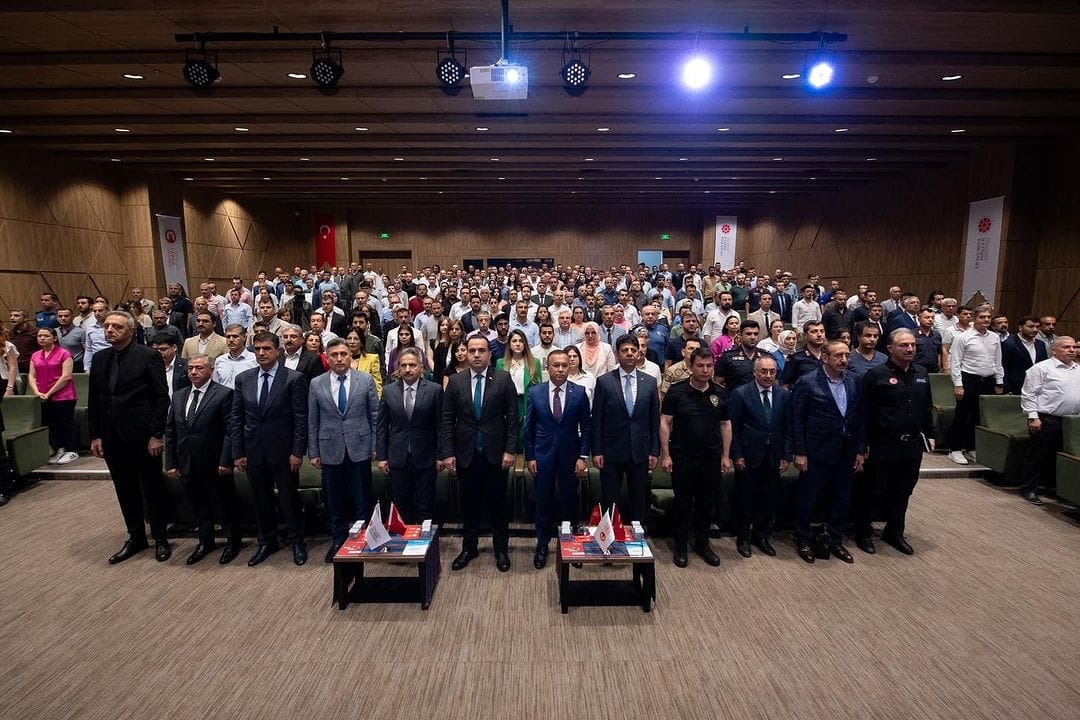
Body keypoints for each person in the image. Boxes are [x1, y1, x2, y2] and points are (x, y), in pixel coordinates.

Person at [88, 310, 171, 564]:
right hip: (112, 436)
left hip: (142, 436)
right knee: (124, 488)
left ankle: (160, 537)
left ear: (131, 331)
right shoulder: (100, 358)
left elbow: (160, 397)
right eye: (108, 326)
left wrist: (156, 434)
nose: (110, 330)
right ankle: (136, 536)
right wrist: (95, 435)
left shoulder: (147, 356)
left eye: (117, 327)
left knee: (151, 488)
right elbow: (95, 399)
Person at [438, 336, 518, 572]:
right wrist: (448, 452)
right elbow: (446, 419)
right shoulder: (455, 381)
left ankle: (501, 549)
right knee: (469, 504)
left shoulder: (503, 379)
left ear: (489, 354)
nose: (476, 355)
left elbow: (513, 418)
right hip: (466, 453)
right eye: (472, 350)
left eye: (481, 350)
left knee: (498, 505)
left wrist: (510, 450)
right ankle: (469, 547)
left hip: (495, 453)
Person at [230, 331, 310, 567]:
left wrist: (298, 451)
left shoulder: (293, 379)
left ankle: (296, 541)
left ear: (278, 351)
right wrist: (238, 451)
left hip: (284, 451)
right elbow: (237, 418)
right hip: (254, 449)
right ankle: (267, 541)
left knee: (288, 499)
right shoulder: (244, 379)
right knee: (260, 498)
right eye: (257, 349)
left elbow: (300, 418)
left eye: (266, 349)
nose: (262, 353)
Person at [855, 329, 937, 555]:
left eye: (912, 345)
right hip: (883, 444)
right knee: (875, 490)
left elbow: (926, 407)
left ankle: (895, 531)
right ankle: (863, 531)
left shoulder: (921, 373)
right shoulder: (876, 374)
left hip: (911, 444)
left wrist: (930, 433)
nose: (910, 349)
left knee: (903, 490)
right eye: (904, 345)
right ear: (890, 348)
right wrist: (862, 446)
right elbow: (863, 413)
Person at [163, 354, 244, 565]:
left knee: (225, 505)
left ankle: (233, 541)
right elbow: (171, 431)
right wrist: (170, 462)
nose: (193, 372)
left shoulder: (224, 394)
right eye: (190, 368)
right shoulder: (179, 396)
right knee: (198, 506)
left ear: (210, 370)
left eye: (199, 368)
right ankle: (205, 541)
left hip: (215, 462)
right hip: (187, 461)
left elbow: (230, 431)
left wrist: (226, 460)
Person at [791, 340, 865, 564]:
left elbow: (859, 418)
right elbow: (797, 420)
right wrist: (799, 452)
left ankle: (835, 539)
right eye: (838, 356)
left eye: (846, 355)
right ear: (825, 357)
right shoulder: (807, 382)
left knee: (841, 498)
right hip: (816, 450)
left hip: (846, 450)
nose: (843, 360)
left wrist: (860, 450)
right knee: (809, 498)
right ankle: (803, 538)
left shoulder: (855, 381)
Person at [308, 337, 379, 563]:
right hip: (329, 449)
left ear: (350, 355)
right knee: (335, 501)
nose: (339, 358)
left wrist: (375, 445)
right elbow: (313, 420)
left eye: (343, 354)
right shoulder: (316, 383)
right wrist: (313, 451)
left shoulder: (365, 380)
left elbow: (374, 416)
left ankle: (365, 540)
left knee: (362, 499)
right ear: (327, 358)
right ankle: (338, 540)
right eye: (334, 355)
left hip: (360, 447)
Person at [659, 347, 730, 567]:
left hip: (711, 457)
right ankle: (680, 545)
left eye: (709, 366)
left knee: (707, 503)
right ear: (691, 366)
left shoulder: (720, 393)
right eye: (700, 365)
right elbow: (665, 422)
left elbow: (726, 425)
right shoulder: (677, 391)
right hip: (683, 456)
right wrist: (665, 454)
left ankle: (702, 543)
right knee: (683, 503)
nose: (705, 370)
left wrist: (725, 456)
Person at [523, 349, 591, 569]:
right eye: (556, 365)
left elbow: (587, 428)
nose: (561, 369)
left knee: (570, 501)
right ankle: (542, 545)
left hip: (571, 457)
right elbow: (529, 428)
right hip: (542, 456)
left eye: (564, 365)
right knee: (543, 501)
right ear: (548, 367)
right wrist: (530, 456)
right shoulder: (535, 392)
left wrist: (582, 456)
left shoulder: (579, 392)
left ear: (569, 367)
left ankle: (570, 544)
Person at [591, 334, 660, 524]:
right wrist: (596, 450)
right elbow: (596, 419)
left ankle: (638, 536)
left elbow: (654, 419)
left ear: (639, 353)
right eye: (624, 350)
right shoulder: (604, 381)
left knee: (639, 498)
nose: (629, 354)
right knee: (610, 498)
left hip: (640, 451)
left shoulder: (649, 381)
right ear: (617, 354)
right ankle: (609, 535)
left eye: (633, 350)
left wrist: (655, 450)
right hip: (611, 450)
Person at [728, 355, 791, 558]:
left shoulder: (783, 394)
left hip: (773, 455)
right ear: (755, 372)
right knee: (745, 498)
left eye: (772, 371)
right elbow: (733, 428)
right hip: (748, 455)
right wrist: (736, 454)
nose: (768, 375)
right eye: (764, 371)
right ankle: (743, 536)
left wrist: (786, 455)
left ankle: (760, 535)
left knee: (769, 497)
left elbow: (787, 428)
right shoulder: (741, 393)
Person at [376, 347, 442, 524]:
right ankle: (405, 546)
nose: (407, 369)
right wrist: (382, 457)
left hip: (426, 456)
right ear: (398, 368)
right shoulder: (389, 391)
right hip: (398, 457)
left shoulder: (434, 390)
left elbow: (440, 426)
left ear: (421, 367)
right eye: (403, 365)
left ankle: (425, 547)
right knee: (401, 505)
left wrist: (440, 456)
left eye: (412, 365)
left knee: (425, 505)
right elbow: (381, 427)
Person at [1018, 336, 1080, 505]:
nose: (1072, 350)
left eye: (1074, 347)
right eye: (1067, 347)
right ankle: (1029, 488)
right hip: (1046, 418)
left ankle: (1051, 487)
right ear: (1054, 350)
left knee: (1059, 456)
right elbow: (1029, 394)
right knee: (1038, 454)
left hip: (1071, 421)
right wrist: (1032, 417)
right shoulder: (1041, 368)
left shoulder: (1077, 369)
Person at [947, 309, 1004, 464]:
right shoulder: (962, 337)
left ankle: (972, 448)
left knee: (979, 416)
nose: (986, 320)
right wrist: (958, 385)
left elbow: (997, 361)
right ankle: (955, 449)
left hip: (988, 380)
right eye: (982, 317)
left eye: (988, 317)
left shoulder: (995, 337)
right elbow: (955, 363)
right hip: (968, 379)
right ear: (974, 318)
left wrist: (999, 381)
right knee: (962, 415)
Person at [29, 327, 78, 465]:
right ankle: (59, 449)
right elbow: (32, 376)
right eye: (39, 336)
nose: (42, 338)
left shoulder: (64, 353)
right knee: (51, 424)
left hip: (63, 395)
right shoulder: (35, 355)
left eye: (46, 336)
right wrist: (37, 392)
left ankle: (71, 450)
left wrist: (50, 392)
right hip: (43, 395)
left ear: (55, 338)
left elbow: (66, 376)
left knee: (65, 422)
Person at [1001, 315, 1048, 395]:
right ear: (1020, 327)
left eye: (1037, 327)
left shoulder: (1041, 344)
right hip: (1016, 387)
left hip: (1037, 388)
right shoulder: (1008, 344)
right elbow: (1003, 367)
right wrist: (1006, 387)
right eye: (1031, 327)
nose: (1035, 330)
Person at [211, 324, 258, 390]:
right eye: (228, 337)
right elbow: (216, 384)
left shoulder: (254, 360)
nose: (231, 340)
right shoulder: (220, 360)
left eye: (235, 336)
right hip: (224, 399)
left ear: (244, 338)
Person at [344, 328, 382, 396]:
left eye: (356, 339)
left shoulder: (372, 359)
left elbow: (377, 386)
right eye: (349, 338)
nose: (352, 342)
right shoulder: (340, 360)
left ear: (361, 342)